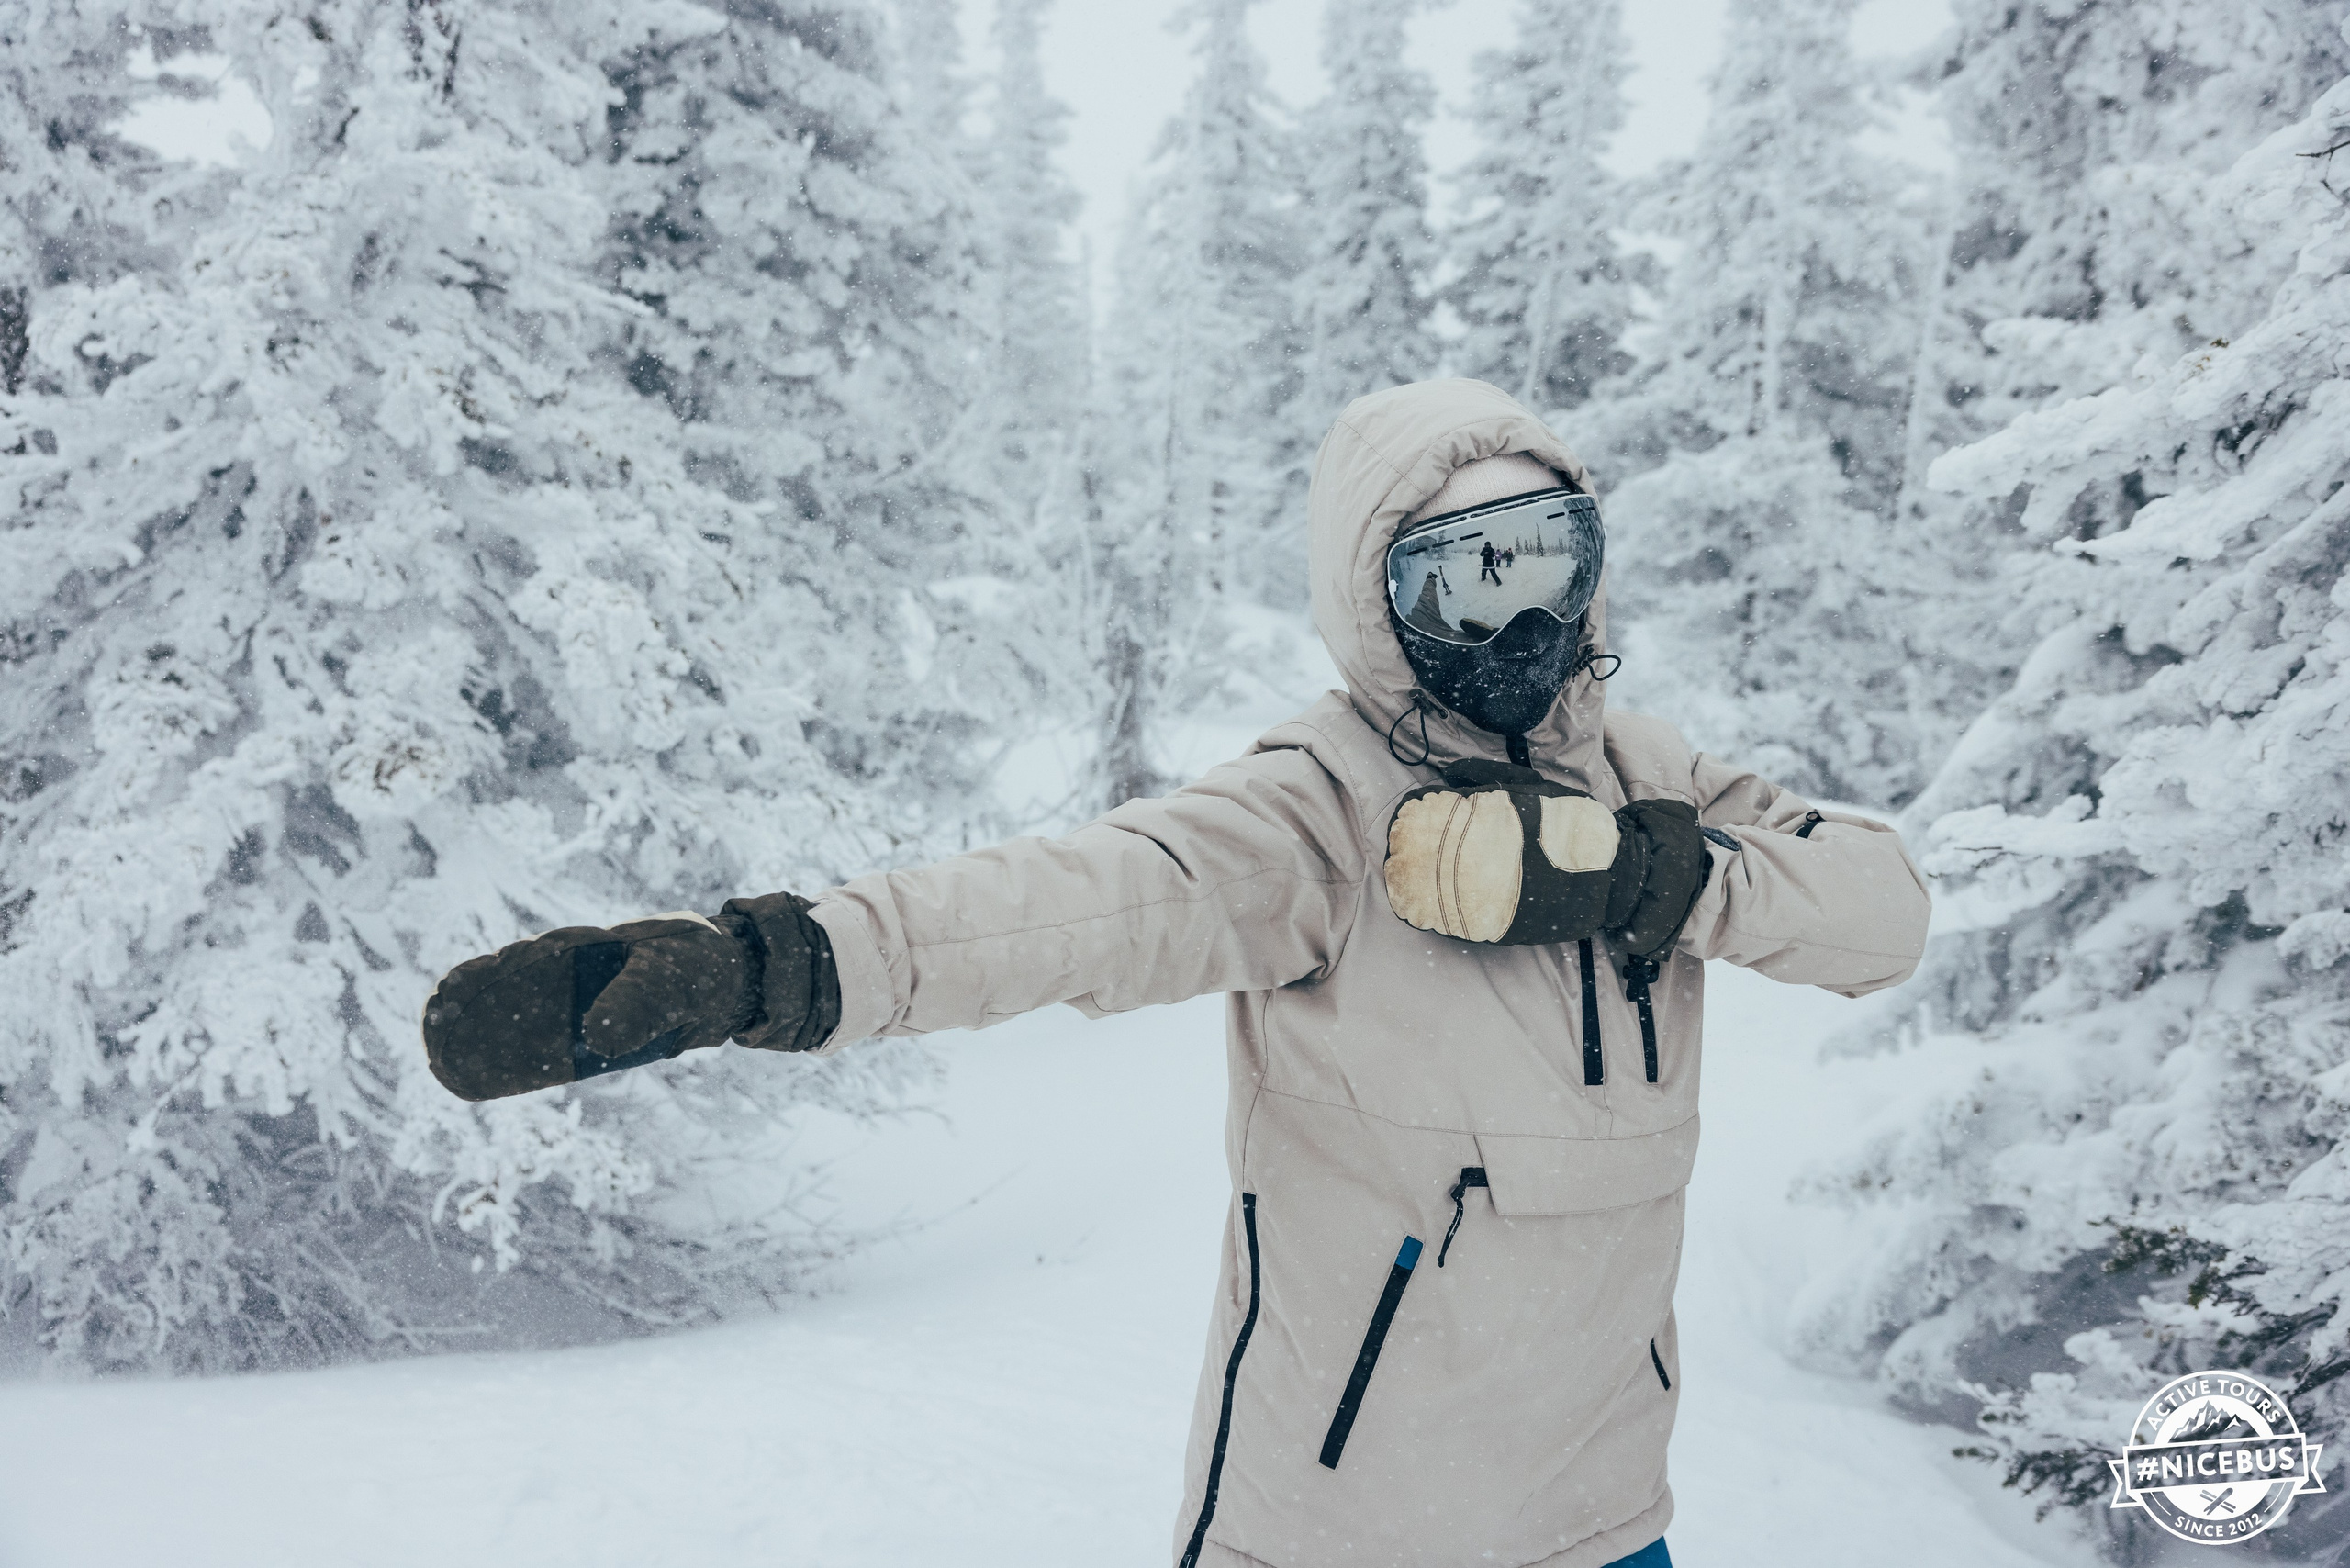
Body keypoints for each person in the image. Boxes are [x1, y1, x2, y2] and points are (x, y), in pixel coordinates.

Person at [422, 379, 1931, 1568]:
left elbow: (1883, 907)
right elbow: (1064, 906)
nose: (1523, 622)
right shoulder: (1323, 813)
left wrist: (1653, 876)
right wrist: (769, 966)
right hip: (1351, 1529)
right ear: (1378, 604)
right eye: (1462, 583)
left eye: (1548, 561)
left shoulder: (1650, 778)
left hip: (1608, 1517)